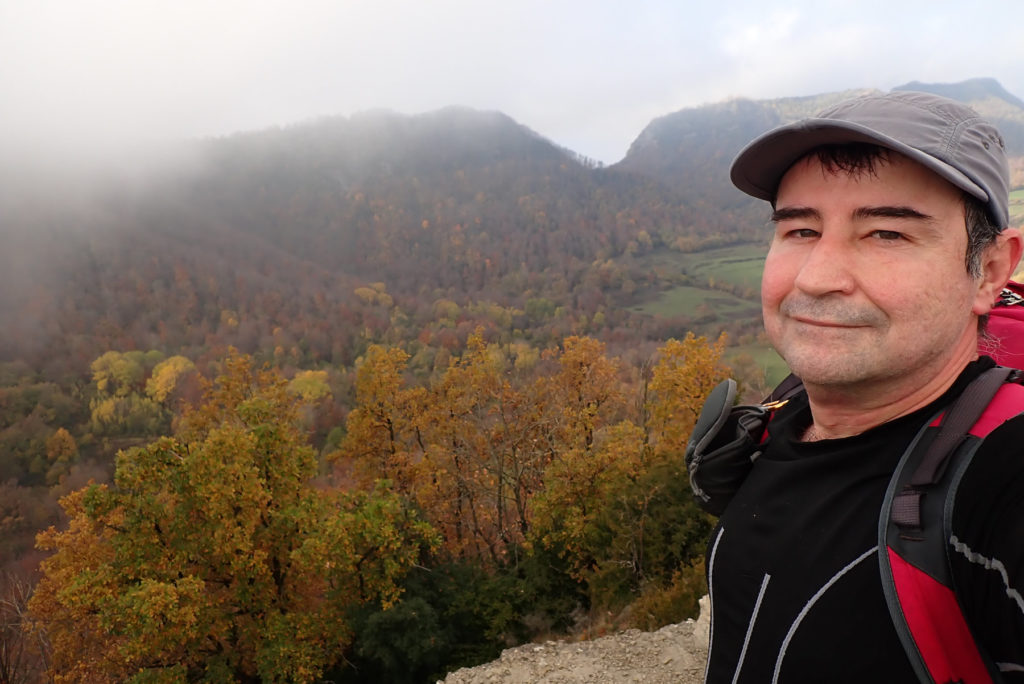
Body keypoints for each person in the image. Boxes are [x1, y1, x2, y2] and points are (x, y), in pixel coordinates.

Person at [702, 90, 1024, 682]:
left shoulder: (1003, 472)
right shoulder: (790, 407)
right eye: (800, 230)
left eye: (885, 234)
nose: (819, 277)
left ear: (991, 272)